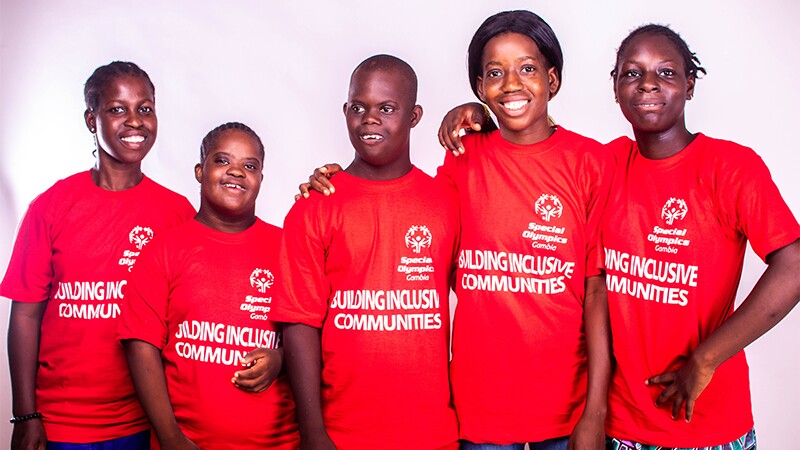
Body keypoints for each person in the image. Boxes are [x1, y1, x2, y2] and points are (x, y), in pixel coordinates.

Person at [298, 11, 615, 450]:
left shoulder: (591, 163)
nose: (511, 84)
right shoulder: (465, 157)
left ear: (553, 79)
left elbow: (596, 290)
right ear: (480, 88)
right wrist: (336, 187)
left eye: (527, 68)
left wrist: (595, 411)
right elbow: (408, 211)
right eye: (494, 73)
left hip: (565, 407)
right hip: (475, 412)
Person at [599, 24, 800, 449]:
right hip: (622, 426)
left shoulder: (730, 167)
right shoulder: (608, 163)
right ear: (615, 88)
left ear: (690, 85)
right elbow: (539, 146)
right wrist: (483, 114)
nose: (648, 83)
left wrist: (706, 359)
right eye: (631, 73)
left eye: (666, 72)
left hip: (708, 423)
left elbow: (794, 263)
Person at [2, 61, 196, 450]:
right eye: (117, 109)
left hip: (145, 421)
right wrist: (26, 415)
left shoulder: (176, 212)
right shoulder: (52, 206)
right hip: (61, 424)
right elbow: (25, 316)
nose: (135, 121)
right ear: (91, 119)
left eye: (145, 108)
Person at [272, 54, 459, 450]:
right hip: (343, 434)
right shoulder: (315, 205)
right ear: (345, 111)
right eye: (359, 107)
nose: (369, 119)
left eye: (387, 108)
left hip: (432, 433)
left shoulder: (445, 201)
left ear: (414, 115)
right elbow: (299, 323)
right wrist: (313, 433)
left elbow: (481, 299)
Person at [117, 122, 299, 449]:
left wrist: (282, 358)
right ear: (200, 171)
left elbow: (314, 334)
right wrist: (170, 437)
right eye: (223, 160)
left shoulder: (286, 247)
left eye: (250, 166)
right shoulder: (164, 249)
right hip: (187, 441)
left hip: (277, 442)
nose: (237, 172)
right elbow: (140, 345)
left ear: (261, 178)